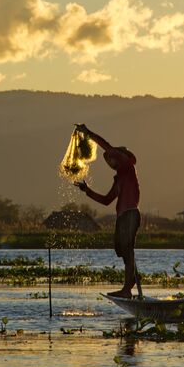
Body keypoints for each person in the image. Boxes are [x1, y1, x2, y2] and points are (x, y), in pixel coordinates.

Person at [74, 124, 140, 299]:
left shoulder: (127, 167)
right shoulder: (119, 178)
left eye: (111, 159)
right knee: (122, 250)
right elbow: (106, 200)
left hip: (130, 214)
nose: (109, 162)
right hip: (122, 217)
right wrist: (86, 190)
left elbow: (107, 146)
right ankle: (131, 280)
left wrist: (88, 134)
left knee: (128, 250)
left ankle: (127, 288)